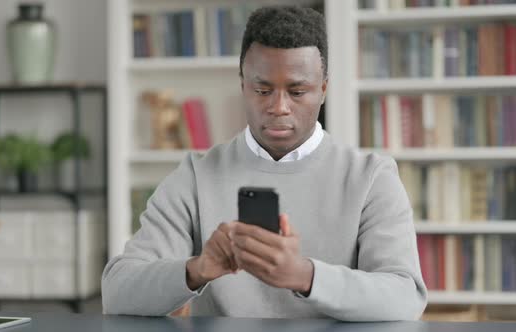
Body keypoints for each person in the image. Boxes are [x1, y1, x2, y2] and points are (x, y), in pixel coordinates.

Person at [102, 6, 427, 321]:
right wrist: (198, 269)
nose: (279, 107)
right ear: (243, 84)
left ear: (323, 89)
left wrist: (305, 276)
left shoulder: (372, 178)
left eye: (298, 92)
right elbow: (117, 291)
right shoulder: (195, 176)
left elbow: (405, 297)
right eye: (262, 89)